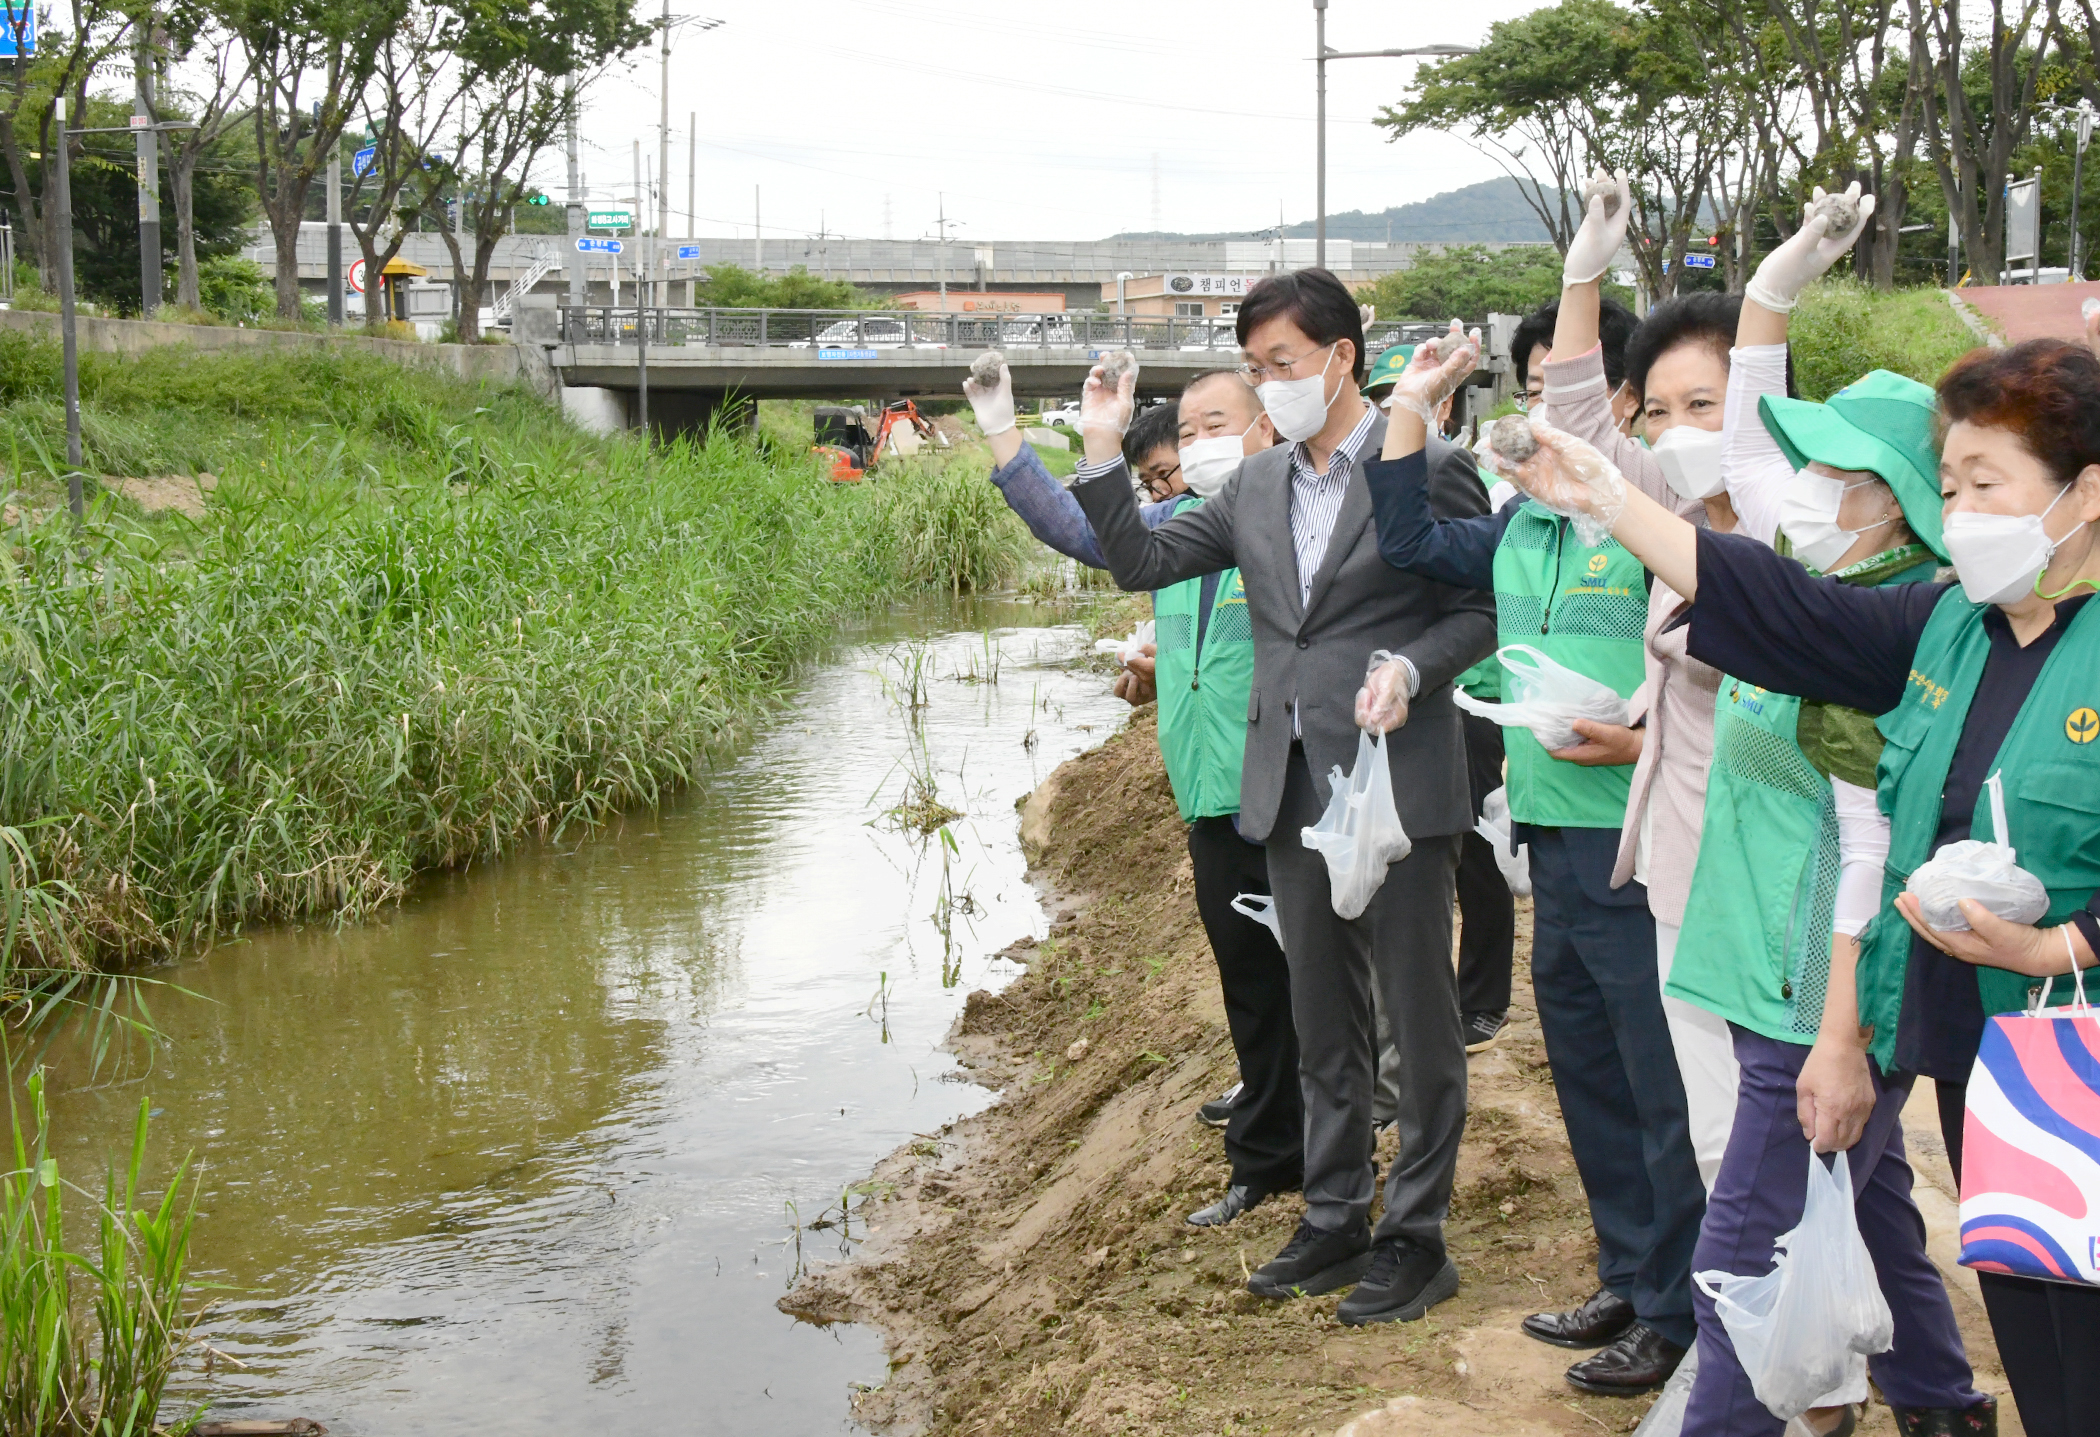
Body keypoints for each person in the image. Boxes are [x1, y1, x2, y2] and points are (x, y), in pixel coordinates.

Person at [1496, 336, 2099, 1437]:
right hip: (1994, 1060)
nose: (1964, 513)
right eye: (1952, 485)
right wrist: (1611, 499)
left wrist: (2063, 945)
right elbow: (1782, 605)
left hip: (2079, 1040)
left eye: (1988, 485)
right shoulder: (1949, 630)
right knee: (2038, 1323)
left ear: (2086, 492)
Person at [1067, 268, 1497, 1327]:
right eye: (1255, 368)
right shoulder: (1254, 486)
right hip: (1291, 777)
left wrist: (1413, 669)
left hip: (1395, 779)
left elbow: (1483, 607)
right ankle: (1335, 1212)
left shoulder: (1426, 464)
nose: (1269, 384)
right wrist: (1102, 446)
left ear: (1342, 357)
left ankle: (1416, 1236)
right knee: (1322, 1011)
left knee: (1417, 1012)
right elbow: (1142, 559)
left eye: (1283, 363)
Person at [1362, 313, 1702, 1394]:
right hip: (1553, 837)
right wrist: (1409, 408)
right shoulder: (1519, 527)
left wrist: (1639, 743)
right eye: (1540, 397)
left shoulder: (1661, 532)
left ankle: (1678, 1309)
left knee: (1659, 1081)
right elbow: (1409, 540)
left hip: (1640, 840)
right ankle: (1628, 1271)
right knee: (1590, 1071)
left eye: (1576, 399)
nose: (1552, 422)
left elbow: (1721, 689)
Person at [964, 364, 1300, 1227]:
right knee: (1249, 984)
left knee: (1316, 979)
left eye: (1212, 430)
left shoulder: (1295, 521)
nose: (1194, 452)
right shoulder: (1175, 530)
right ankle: (1269, 1159)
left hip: (1287, 785)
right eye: (1185, 436)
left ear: (1266, 429)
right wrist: (1004, 429)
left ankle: (1333, 1144)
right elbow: (1078, 525)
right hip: (1207, 787)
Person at [1367, 343, 1518, 1055]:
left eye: (1402, 397)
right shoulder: (1365, 473)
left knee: (1477, 855)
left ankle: (1482, 997)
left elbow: (1473, 589)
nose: (1388, 411)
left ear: (1445, 401)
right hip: (1401, 690)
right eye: (1381, 398)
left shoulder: (1449, 466)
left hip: (1466, 693)